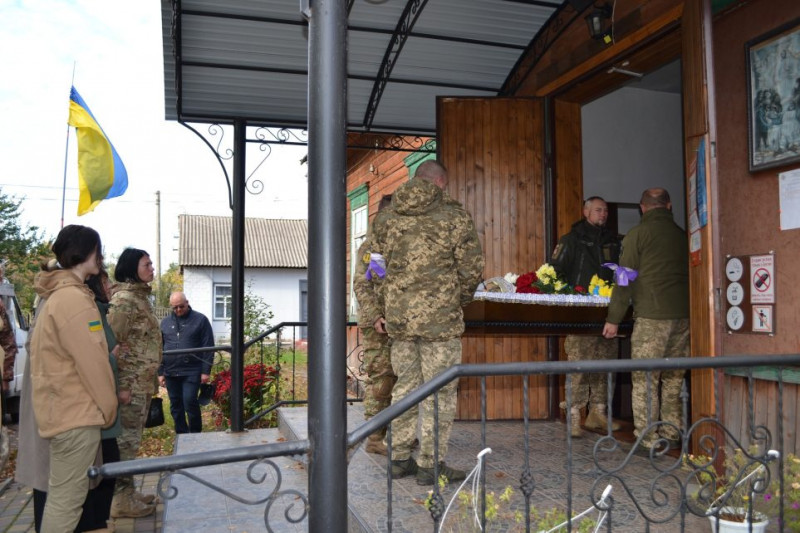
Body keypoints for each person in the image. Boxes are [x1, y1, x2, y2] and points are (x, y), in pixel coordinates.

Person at [371, 160, 484, 485]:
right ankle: (429, 465)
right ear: (440, 182)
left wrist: (385, 301)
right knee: (440, 392)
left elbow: (374, 263)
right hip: (440, 322)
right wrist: (457, 298)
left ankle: (399, 458)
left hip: (400, 320)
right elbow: (471, 266)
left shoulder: (387, 217)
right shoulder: (454, 215)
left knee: (405, 386)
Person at [18, 262, 128, 533]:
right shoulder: (70, 302)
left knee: (69, 493)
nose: (108, 286)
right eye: (102, 281)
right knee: (66, 499)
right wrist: (108, 405)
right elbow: (88, 361)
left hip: (69, 410)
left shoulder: (57, 299)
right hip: (73, 412)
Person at [602, 188, 689, 451]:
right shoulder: (682, 235)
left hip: (652, 317)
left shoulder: (637, 235)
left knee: (645, 378)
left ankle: (647, 439)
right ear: (669, 205)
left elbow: (624, 278)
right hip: (684, 317)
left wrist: (613, 318)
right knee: (674, 377)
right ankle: (672, 432)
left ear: (642, 208)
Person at [549, 196, 621, 438]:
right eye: (599, 210)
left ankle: (597, 413)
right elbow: (554, 272)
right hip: (580, 314)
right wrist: (569, 299)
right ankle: (574, 414)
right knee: (578, 365)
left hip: (608, 314)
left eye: (606, 211)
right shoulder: (571, 240)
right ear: (586, 211)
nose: (603, 214)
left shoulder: (612, 242)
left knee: (605, 364)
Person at [107, 248, 162, 518]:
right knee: (125, 444)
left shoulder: (141, 298)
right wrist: (121, 387)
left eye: (151, 263)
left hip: (141, 384)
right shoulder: (125, 301)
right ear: (131, 268)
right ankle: (120, 501)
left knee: (131, 442)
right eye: (146, 264)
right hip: (129, 387)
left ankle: (127, 493)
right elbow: (112, 344)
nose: (152, 268)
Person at [353, 195, 396, 456]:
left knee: (397, 380)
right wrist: (376, 316)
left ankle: (390, 433)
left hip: (397, 323)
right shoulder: (372, 247)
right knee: (381, 379)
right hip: (377, 324)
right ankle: (374, 437)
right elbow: (364, 285)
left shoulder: (394, 245)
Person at [158, 291, 214, 434]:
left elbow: (209, 346)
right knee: (175, 405)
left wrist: (205, 371)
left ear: (187, 303)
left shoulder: (200, 320)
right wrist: (160, 372)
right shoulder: (164, 323)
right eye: (175, 307)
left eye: (181, 306)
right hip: (171, 371)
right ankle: (181, 434)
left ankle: (195, 434)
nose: (178, 310)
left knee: (190, 402)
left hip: (192, 370)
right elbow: (158, 348)